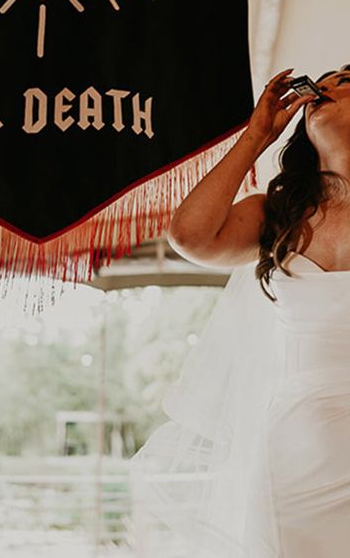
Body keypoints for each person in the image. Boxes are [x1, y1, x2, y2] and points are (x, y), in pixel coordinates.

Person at [134, 66, 350, 556]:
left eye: (346, 81)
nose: (328, 87)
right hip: (294, 460)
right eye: (327, 80)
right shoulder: (282, 212)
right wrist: (255, 137)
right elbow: (192, 237)